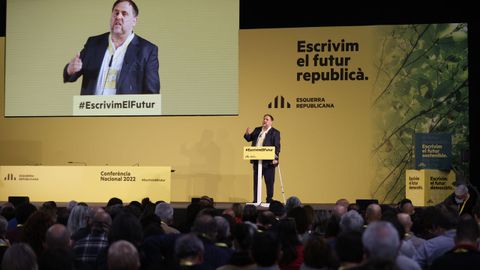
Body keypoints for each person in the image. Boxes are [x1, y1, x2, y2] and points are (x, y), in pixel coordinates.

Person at [63, 0, 160, 95]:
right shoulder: (93, 43)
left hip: (126, 111)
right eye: (116, 13)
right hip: (92, 109)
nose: (118, 16)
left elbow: (152, 94)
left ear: (134, 21)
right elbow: (71, 74)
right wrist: (70, 69)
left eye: (124, 13)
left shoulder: (147, 50)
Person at [244, 114, 281, 203]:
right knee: (256, 181)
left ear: (271, 122)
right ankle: (256, 199)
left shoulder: (275, 132)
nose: (265, 121)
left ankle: (269, 200)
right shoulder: (257, 130)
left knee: (269, 182)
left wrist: (275, 157)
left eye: (267, 119)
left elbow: (277, 146)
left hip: (268, 162)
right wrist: (247, 134)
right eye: (264, 119)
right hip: (257, 160)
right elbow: (249, 138)